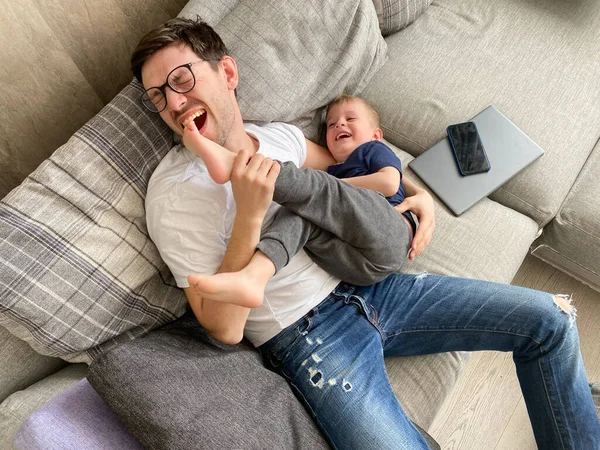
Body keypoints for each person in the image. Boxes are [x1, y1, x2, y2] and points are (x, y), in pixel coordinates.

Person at [136, 17, 600, 449]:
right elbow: (223, 327)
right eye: (158, 96)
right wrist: (249, 218)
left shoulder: (282, 138)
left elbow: (352, 180)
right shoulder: (172, 195)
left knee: (551, 321)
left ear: (228, 73)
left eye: (181, 80)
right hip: (308, 335)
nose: (174, 104)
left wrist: (417, 196)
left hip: (377, 283)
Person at [181, 94, 416, 308]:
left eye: (350, 118)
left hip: (392, 232)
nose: (339, 125)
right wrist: (323, 193)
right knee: (301, 212)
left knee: (314, 189)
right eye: (332, 124)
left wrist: (329, 188)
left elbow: (389, 184)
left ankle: (236, 165)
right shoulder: (335, 170)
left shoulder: (372, 150)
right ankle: (254, 277)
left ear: (376, 134)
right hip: (361, 269)